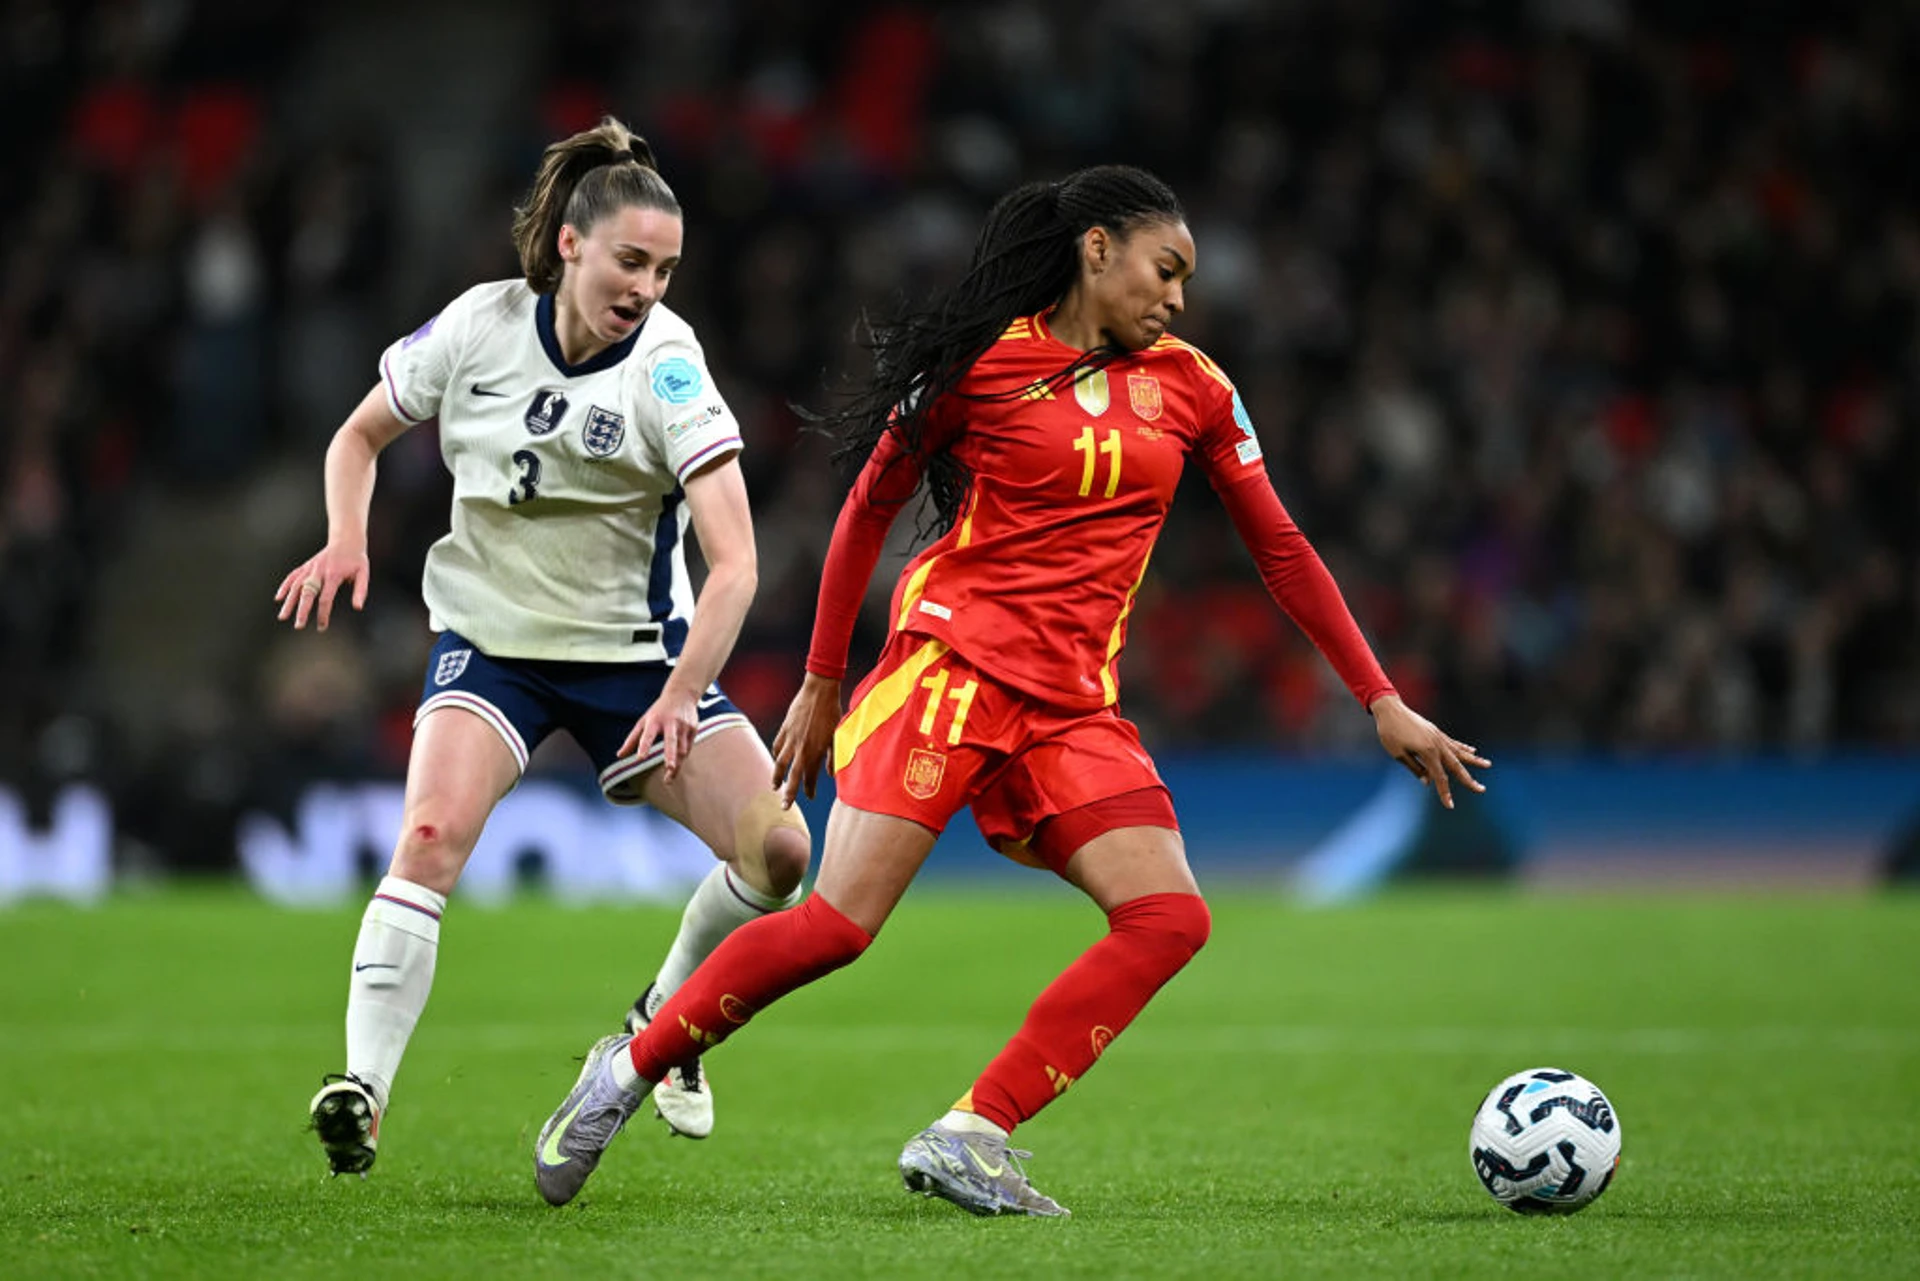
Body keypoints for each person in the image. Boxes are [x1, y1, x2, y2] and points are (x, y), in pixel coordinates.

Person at [530, 164, 1486, 1214]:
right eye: (1164, 270)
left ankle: (970, 1132)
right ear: (1097, 251)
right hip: (952, 673)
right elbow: (865, 509)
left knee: (1169, 918)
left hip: (1074, 706)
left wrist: (1378, 697)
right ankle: (620, 1074)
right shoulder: (983, 365)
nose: (1177, 298)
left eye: (1187, 280)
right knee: (841, 925)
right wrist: (821, 678)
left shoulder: (1196, 387)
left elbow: (1284, 550)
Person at [276, 117, 810, 1177]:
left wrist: (682, 693)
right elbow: (358, 435)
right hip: (496, 648)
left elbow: (736, 563)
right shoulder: (476, 330)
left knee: (782, 855)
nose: (648, 287)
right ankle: (362, 1093)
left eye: (665, 269)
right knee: (427, 837)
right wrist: (345, 534)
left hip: (639, 661)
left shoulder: (667, 369)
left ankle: (661, 1023)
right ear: (570, 243)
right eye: (630, 260)